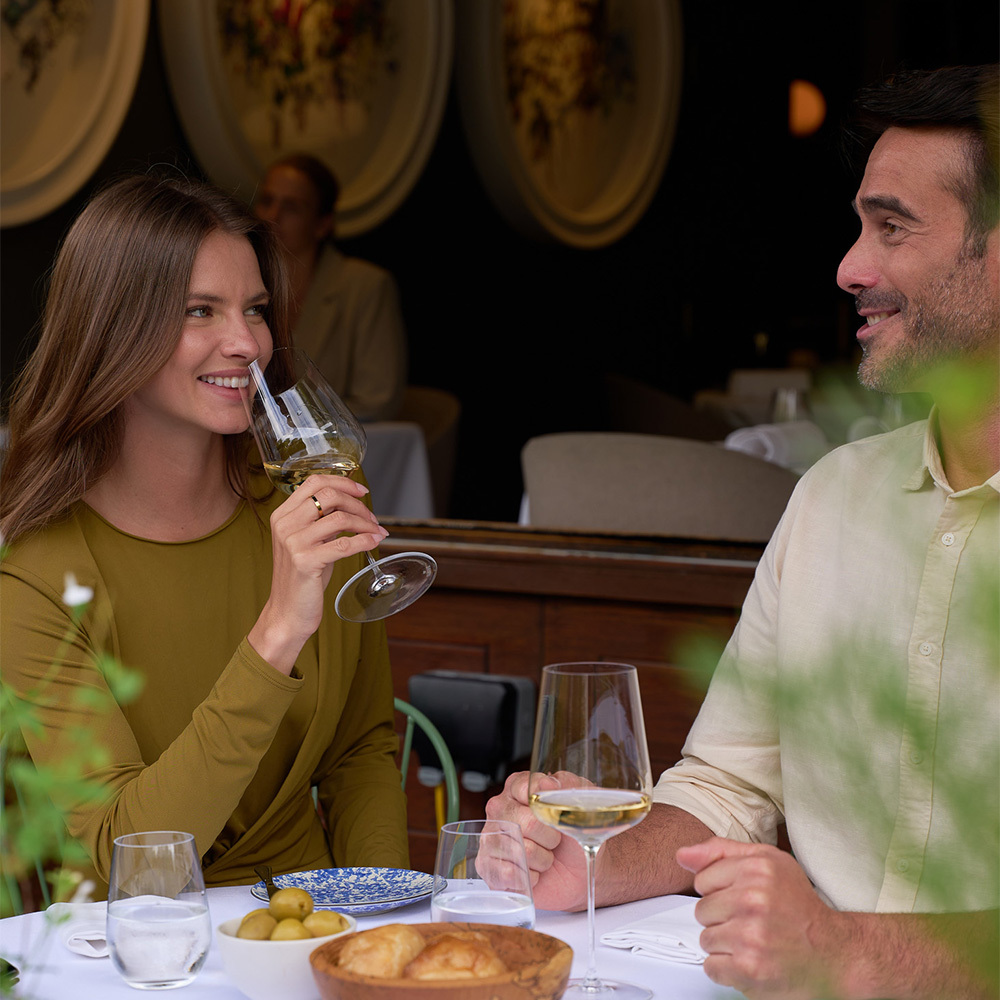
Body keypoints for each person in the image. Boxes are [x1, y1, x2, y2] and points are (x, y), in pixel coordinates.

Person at [487, 64, 999, 999]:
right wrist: (592, 860)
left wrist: (846, 950)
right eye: (859, 227)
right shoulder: (832, 499)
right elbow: (730, 788)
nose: (850, 267)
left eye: (892, 227)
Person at [0, 173, 409, 894]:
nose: (247, 343)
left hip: (308, 927)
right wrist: (277, 633)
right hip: (138, 951)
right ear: (111, 327)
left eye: (255, 310)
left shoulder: (305, 503)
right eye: (199, 311)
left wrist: (385, 917)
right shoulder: (37, 574)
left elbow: (360, 749)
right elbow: (133, 861)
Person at [253, 154, 407, 422]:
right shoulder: (241, 283)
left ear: (322, 224)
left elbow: (378, 400)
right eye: (267, 201)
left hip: (330, 452)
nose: (272, 216)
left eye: (291, 207)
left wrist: (289, 426)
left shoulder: (365, 285)